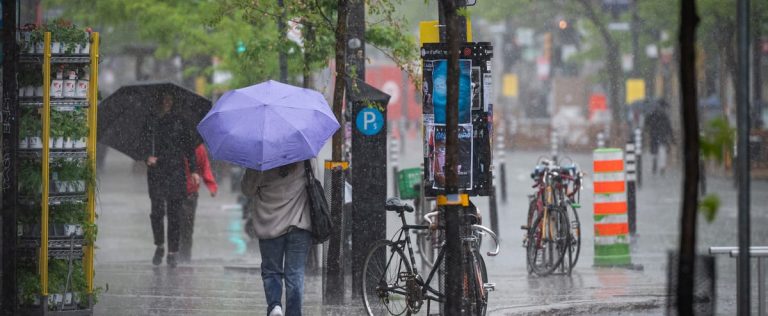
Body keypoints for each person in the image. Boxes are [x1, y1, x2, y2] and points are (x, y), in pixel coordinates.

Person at [241, 161, 312, 316]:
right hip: (298, 222)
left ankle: (275, 306)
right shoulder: (301, 155)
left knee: (271, 271)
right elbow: (312, 181)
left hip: (269, 223)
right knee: (295, 273)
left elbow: (247, 189)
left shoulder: (259, 159)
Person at [146, 94, 200, 268]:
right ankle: (160, 245)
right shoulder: (151, 121)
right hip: (156, 173)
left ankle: (172, 252)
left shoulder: (180, 122)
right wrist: (146, 156)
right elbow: (141, 143)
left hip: (175, 172)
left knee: (174, 214)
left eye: (170, 100)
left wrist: (193, 170)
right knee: (156, 212)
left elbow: (189, 148)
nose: (167, 103)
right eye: (164, 100)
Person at [179, 143, 218, 263]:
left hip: (188, 192)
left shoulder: (198, 148)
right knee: (183, 226)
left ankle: (183, 255)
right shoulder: (197, 147)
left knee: (184, 226)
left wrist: (211, 185)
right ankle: (180, 254)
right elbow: (205, 166)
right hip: (179, 192)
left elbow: (204, 166)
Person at [644, 100, 675, 175]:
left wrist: (647, 128)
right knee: (662, 150)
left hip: (654, 134)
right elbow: (669, 127)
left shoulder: (652, 113)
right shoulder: (665, 115)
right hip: (662, 135)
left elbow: (646, 123)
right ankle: (662, 166)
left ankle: (654, 161)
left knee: (654, 150)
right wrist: (672, 138)